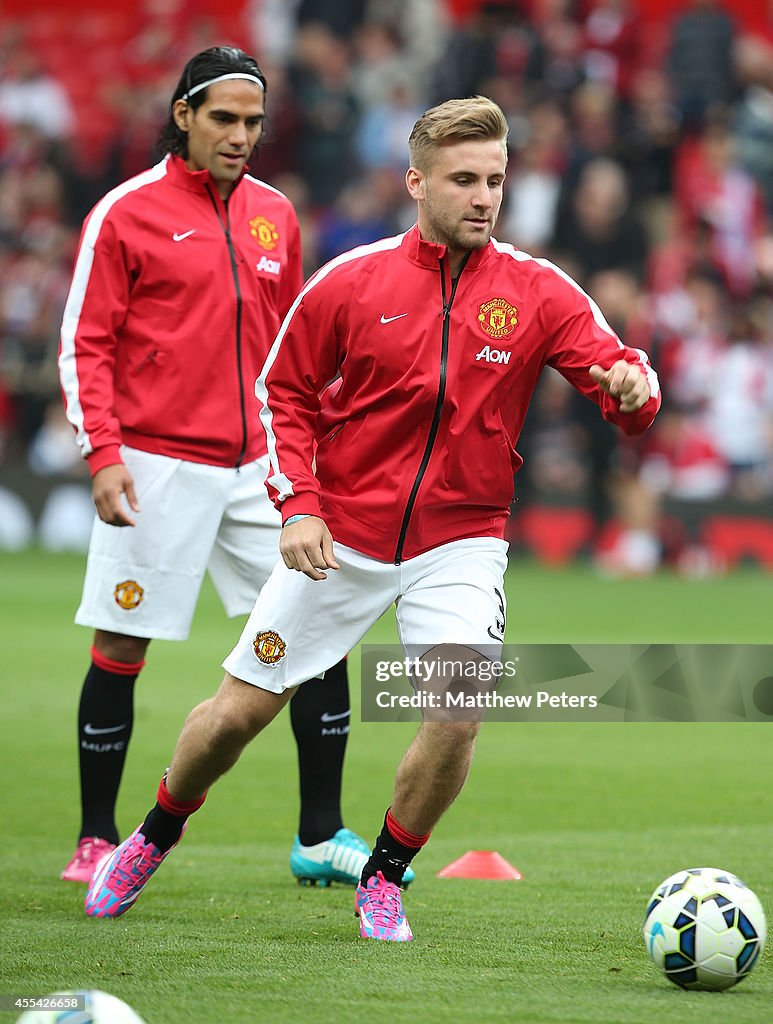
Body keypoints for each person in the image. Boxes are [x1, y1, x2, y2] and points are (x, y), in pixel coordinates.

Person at [84, 96, 660, 940]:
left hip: (460, 541)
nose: (483, 198)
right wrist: (301, 507)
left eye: (496, 180)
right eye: (464, 180)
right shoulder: (351, 282)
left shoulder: (536, 291)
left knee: (458, 710)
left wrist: (631, 390)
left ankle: (383, 877)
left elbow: (617, 376)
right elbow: (281, 396)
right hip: (341, 536)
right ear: (416, 182)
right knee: (236, 716)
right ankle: (152, 834)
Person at [57, 45, 394, 892]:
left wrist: (318, 449)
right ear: (183, 115)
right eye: (224, 120)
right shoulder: (125, 213)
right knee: (121, 641)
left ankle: (319, 833)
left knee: (315, 632)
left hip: (259, 466)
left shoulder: (275, 214)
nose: (241, 136)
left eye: (253, 122)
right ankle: (97, 837)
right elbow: (84, 342)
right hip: (152, 461)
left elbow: (297, 350)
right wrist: (102, 452)